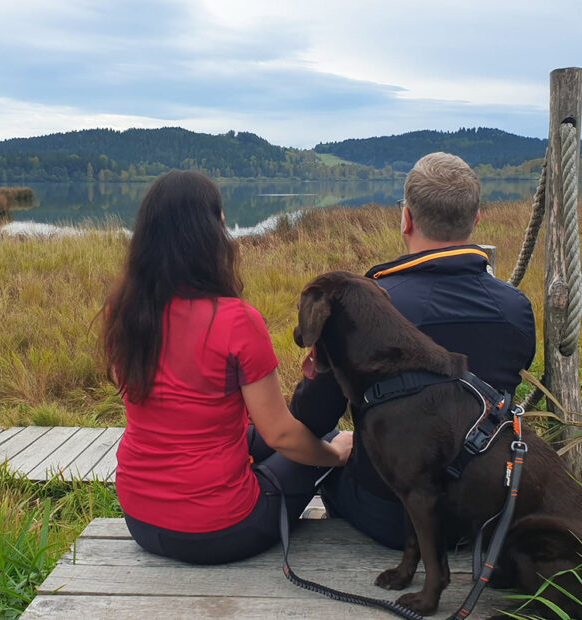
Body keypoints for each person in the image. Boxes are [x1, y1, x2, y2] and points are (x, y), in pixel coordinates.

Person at [99, 170, 353, 565]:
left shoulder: (124, 313)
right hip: (222, 529)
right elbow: (281, 433)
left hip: (140, 517)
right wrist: (335, 454)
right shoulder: (236, 320)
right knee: (328, 437)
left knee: (290, 441)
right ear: (216, 229)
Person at [289, 152, 536, 550]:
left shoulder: (363, 312)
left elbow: (310, 418)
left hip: (388, 519)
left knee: (327, 449)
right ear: (476, 220)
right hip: (482, 517)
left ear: (405, 218)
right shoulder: (515, 308)